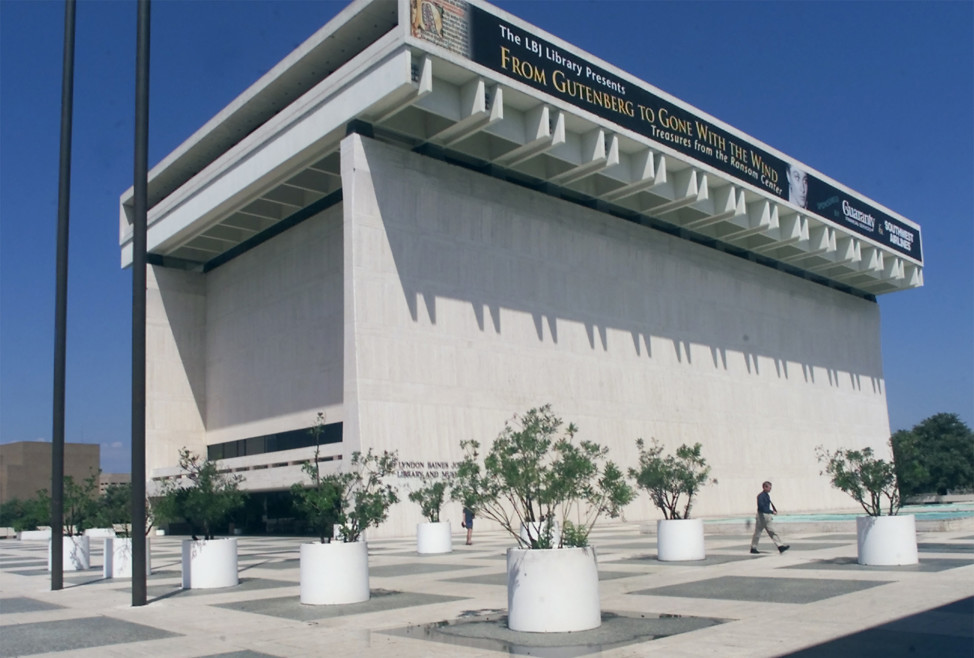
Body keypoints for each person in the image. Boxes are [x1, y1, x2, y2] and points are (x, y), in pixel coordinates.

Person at [750, 481, 790, 554]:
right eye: (769, 487)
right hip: (762, 516)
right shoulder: (761, 496)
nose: (770, 489)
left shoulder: (766, 495)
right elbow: (761, 507)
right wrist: (771, 511)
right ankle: (753, 547)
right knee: (758, 533)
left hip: (766, 516)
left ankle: (780, 546)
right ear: (765, 487)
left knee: (771, 531)